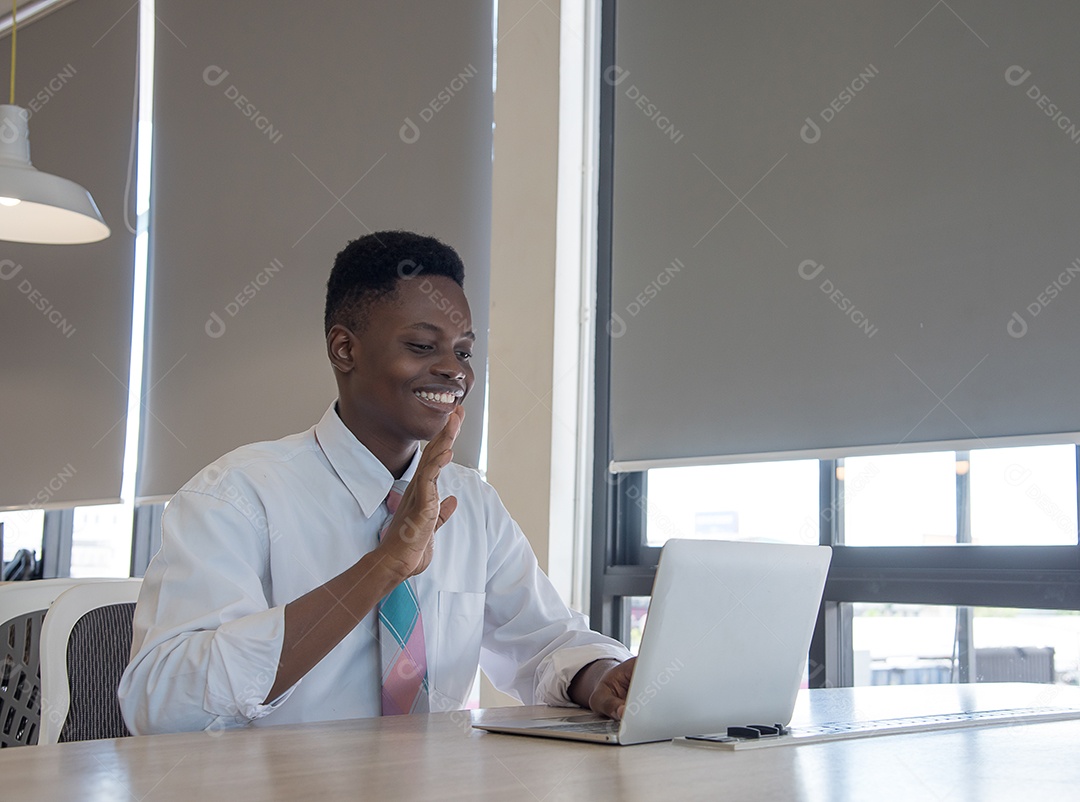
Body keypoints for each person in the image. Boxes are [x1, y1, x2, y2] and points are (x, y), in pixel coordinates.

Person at [119, 231, 635, 734]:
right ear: (345, 349)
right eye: (421, 345)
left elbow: (545, 641)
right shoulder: (236, 495)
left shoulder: (469, 500)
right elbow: (161, 703)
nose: (454, 371)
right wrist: (383, 568)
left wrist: (602, 678)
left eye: (463, 351)